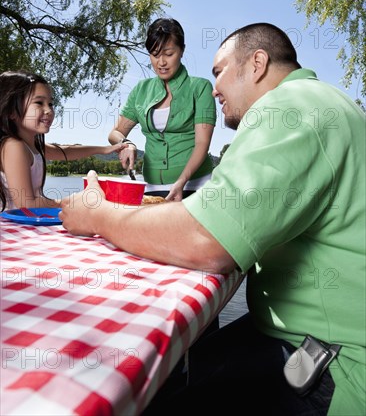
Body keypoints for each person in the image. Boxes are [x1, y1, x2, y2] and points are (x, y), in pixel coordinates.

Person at [60, 23, 366, 415]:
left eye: (220, 71)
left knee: (159, 397)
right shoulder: (324, 101)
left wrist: (99, 216)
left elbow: (207, 239)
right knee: (189, 362)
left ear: (257, 64)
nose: (215, 86)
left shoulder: (288, 109)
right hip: (304, 332)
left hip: (335, 363)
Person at [108, 17, 217, 201]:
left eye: (168, 53)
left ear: (182, 50)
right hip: (152, 187)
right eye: (155, 54)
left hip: (195, 186)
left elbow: (202, 143)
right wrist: (128, 144)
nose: (161, 62)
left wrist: (181, 182)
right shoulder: (141, 91)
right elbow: (115, 133)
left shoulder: (200, 88)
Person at [0, 70, 127, 211]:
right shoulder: (14, 146)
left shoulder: (31, 145)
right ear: (11, 112)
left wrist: (104, 149)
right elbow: (26, 204)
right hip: (10, 227)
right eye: (39, 103)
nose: (48, 110)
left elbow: (65, 151)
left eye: (51, 104)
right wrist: (73, 202)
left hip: (28, 221)